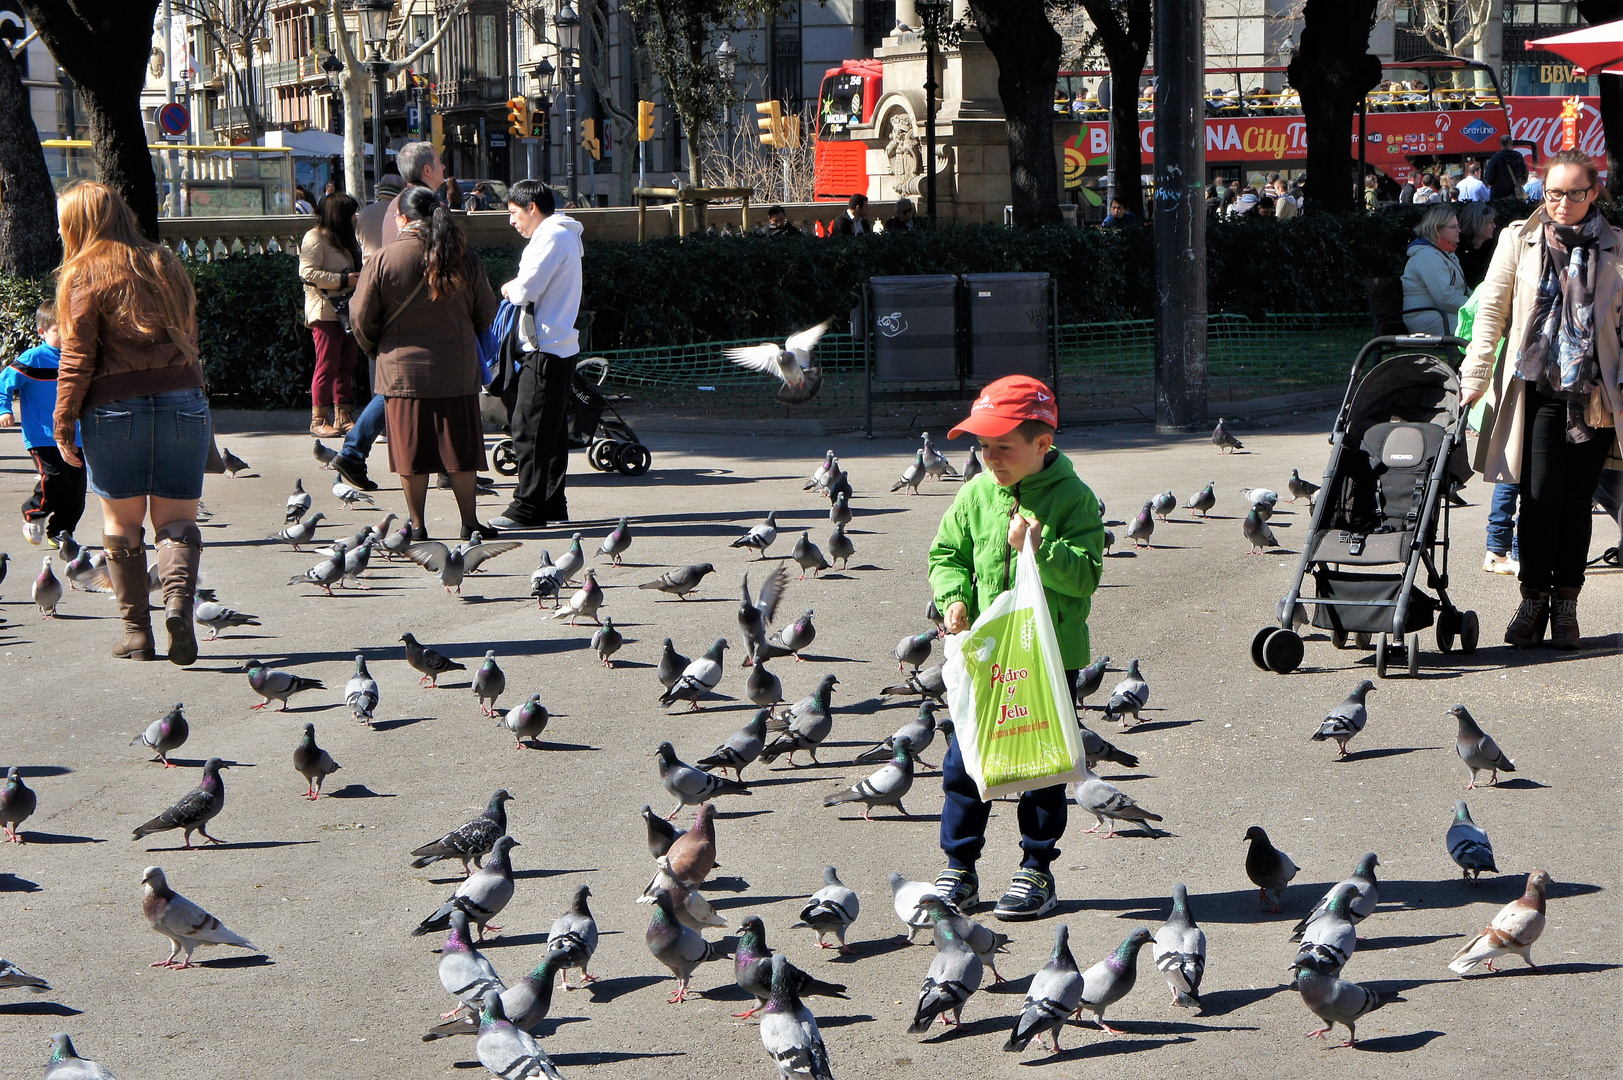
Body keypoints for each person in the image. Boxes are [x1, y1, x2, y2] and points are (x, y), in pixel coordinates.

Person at [927, 375, 1105, 922]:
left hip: (1049, 655)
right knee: (962, 761)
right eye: (982, 445)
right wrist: (954, 598)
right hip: (986, 652)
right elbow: (946, 555)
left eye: (1002, 447)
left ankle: (1036, 868)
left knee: (1042, 764)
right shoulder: (975, 494)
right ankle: (960, 869)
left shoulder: (1074, 499)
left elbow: (1085, 577)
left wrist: (1039, 545)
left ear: (1042, 445)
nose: (989, 457)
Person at [1462, 149, 1623, 649]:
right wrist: (1474, 373)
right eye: (1554, 193)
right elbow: (1492, 311)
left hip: (1596, 395)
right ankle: (1532, 601)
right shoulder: (1519, 238)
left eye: (1576, 193)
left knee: (1576, 503)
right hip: (1537, 390)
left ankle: (1566, 605)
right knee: (1536, 498)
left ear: (1594, 192)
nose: (1563, 203)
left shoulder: (1617, 245)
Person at [53, 181, 210, 666]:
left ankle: (136, 632)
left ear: (78, 224)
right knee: (178, 521)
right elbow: (190, 336)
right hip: (183, 399)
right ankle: (179, 608)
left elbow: (77, 357)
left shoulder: (82, 272)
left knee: (122, 524)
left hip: (114, 409)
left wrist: (63, 421)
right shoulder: (163, 261)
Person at [351, 186, 499, 541]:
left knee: (410, 452)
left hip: (403, 372)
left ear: (401, 218)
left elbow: (361, 317)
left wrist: (380, 349)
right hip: (457, 368)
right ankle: (470, 523)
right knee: (461, 449)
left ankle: (417, 525)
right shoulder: (463, 257)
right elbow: (486, 311)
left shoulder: (384, 259)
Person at [333, 144, 445, 493]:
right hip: (417, 317)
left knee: (407, 391)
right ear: (427, 170)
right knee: (401, 391)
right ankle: (354, 451)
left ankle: (443, 465)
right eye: (440, 162)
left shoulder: (397, 205)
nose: (444, 166)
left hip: (400, 315)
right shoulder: (418, 206)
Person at [488, 179, 584, 532]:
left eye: (514, 213)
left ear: (532, 208)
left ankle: (528, 506)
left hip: (543, 349)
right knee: (551, 431)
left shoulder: (549, 237)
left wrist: (507, 286)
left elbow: (525, 290)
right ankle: (551, 501)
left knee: (528, 428)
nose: (512, 221)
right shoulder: (564, 235)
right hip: (557, 346)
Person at [0, 302, 86, 545]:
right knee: (56, 478)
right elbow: (3, 382)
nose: (66, 337)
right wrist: (4, 409)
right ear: (42, 332)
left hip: (74, 436)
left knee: (77, 489)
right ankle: (33, 513)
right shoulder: (34, 359)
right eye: (60, 331)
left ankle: (61, 531)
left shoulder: (77, 358)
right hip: (42, 435)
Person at [300, 191, 363, 438]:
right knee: (327, 365)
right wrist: (344, 279)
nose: (355, 218)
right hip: (325, 311)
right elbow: (307, 272)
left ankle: (343, 417)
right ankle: (318, 419)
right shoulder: (315, 237)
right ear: (339, 216)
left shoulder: (343, 238)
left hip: (347, 310)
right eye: (351, 214)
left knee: (346, 365)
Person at [1402, 205, 1470, 338]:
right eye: (1453, 227)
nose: (1459, 230)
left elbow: (1462, 291)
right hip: (1425, 319)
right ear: (1437, 229)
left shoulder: (1444, 253)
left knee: (1488, 325)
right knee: (1483, 327)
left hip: (1440, 314)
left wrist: (1482, 302)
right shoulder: (1428, 256)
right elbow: (1446, 298)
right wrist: (1476, 307)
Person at [357, 173, 404, 258]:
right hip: (394, 264)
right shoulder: (402, 214)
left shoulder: (363, 213)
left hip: (369, 267)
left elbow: (359, 240)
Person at [1454, 200, 1498, 288]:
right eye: (1491, 222)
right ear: (1478, 224)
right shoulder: (1458, 251)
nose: (1494, 226)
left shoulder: (1493, 247)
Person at [1482, 134, 1528, 200]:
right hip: (1516, 195)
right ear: (1511, 143)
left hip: (1499, 197)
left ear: (1500, 144)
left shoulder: (1495, 158)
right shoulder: (1518, 156)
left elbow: (1489, 179)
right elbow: (1525, 175)